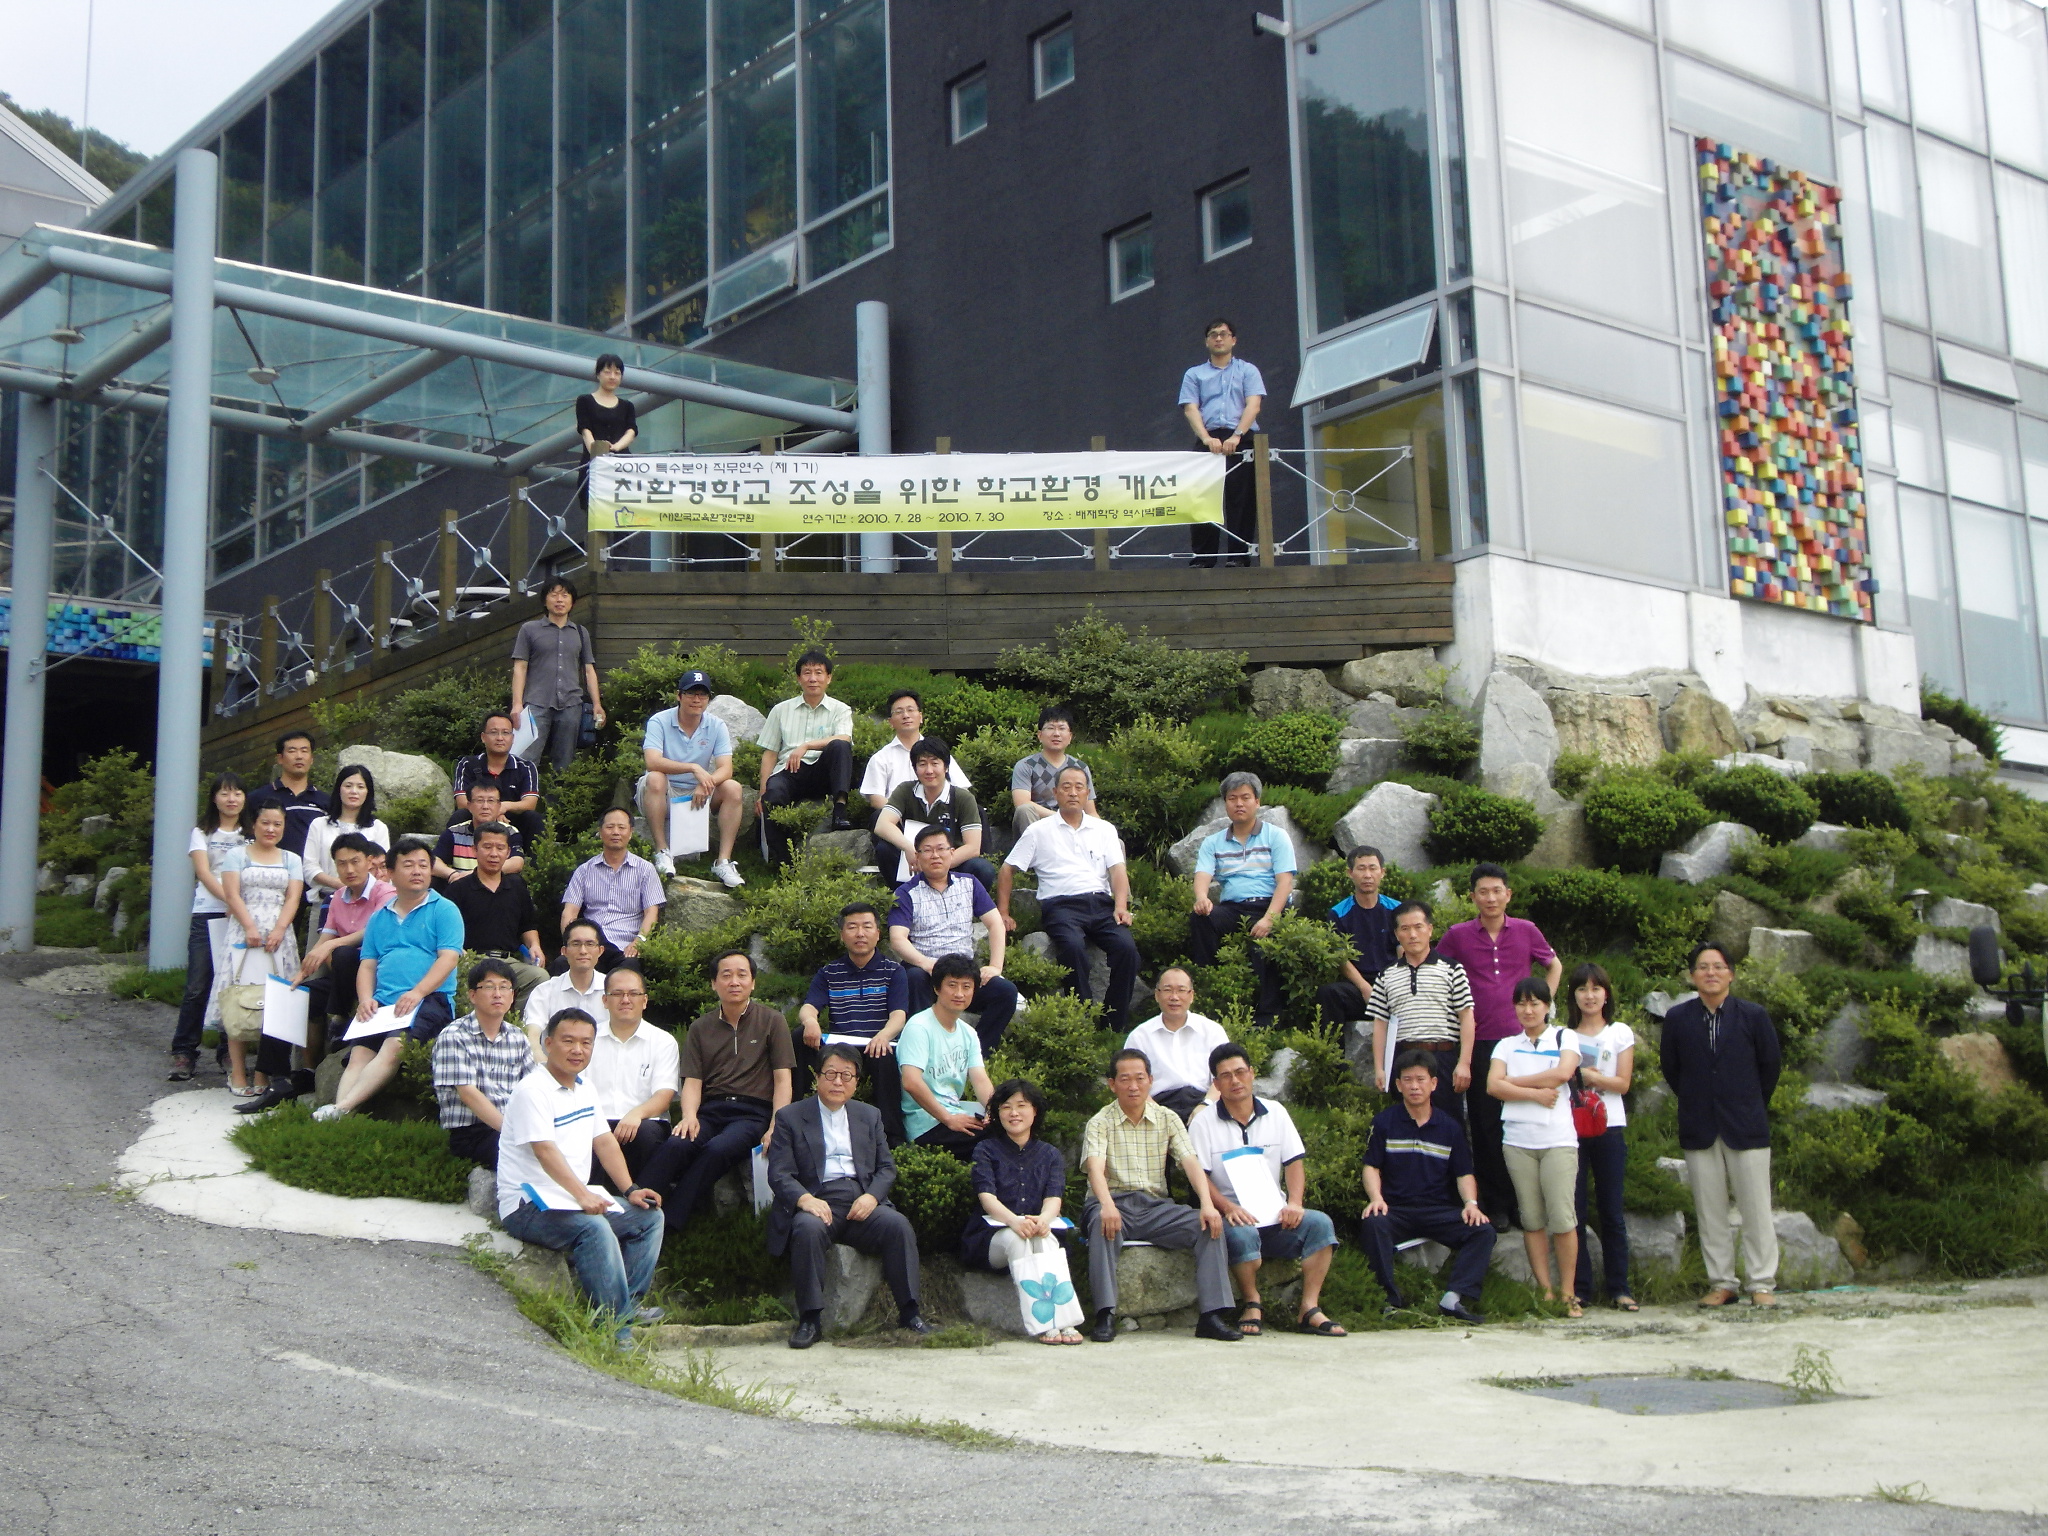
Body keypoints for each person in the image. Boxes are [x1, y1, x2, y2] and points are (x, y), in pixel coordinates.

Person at [497, 1007, 665, 1343]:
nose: (578, 1050)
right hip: (528, 1205)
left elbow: (604, 1142)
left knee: (649, 1217)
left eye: (586, 1043)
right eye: (568, 1041)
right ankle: (615, 1332)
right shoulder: (533, 1091)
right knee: (594, 1228)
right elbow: (545, 1151)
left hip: (569, 1198)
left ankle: (627, 1305)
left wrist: (630, 1189)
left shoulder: (584, 1088)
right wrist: (583, 1195)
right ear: (548, 1044)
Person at [767, 1042, 932, 1348]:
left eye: (847, 1075)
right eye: (830, 1074)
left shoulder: (869, 1115)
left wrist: (871, 1197)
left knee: (897, 1226)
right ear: (817, 1076)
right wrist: (806, 1200)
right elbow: (779, 1173)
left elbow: (886, 1168)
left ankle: (910, 1313)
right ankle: (810, 1320)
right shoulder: (790, 1117)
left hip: (860, 1201)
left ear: (857, 1081)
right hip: (817, 1200)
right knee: (806, 1229)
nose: (838, 1082)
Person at [1080, 1048, 1242, 1343]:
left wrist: (1208, 1205)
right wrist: (1106, 1205)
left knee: (1208, 1225)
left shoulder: (1167, 1118)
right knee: (1102, 1225)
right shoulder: (1100, 1121)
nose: (1133, 1086)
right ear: (1112, 1084)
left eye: (1140, 1078)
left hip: (1155, 1207)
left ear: (1151, 1081)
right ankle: (1105, 1313)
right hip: (1114, 1201)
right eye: (1125, 1079)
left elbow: (1190, 1162)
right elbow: (1095, 1168)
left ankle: (1212, 1315)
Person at [1436, 862, 1562, 1230]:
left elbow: (1554, 965)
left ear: (1508, 894)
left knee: (1522, 1119)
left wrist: (1542, 1004)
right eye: (1483, 892)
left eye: (1497, 891)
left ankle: (1526, 1202)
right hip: (1480, 1041)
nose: (1490, 898)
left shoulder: (1526, 930)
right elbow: (1438, 969)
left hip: (1522, 1041)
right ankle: (1498, 1203)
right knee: (1486, 1123)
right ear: (1472, 897)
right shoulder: (1458, 935)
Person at [1191, 1041, 1345, 1337]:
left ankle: (1309, 1308)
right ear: (1216, 1084)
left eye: (1240, 1072)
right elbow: (1200, 1176)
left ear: (1252, 1073)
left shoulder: (1276, 1112)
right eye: (1226, 1076)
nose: (1235, 1081)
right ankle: (1252, 1301)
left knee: (1320, 1225)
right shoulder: (1203, 1123)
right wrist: (1228, 1207)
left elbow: (1294, 1162)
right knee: (1242, 1233)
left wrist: (1295, 1202)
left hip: (1276, 1213)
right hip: (1233, 1215)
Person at [1663, 943, 1783, 1308]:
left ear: (1730, 973)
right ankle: (1722, 1282)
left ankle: (1761, 1283)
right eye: (1703, 967)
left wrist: (1747, 1103)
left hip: (1746, 1124)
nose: (1710, 973)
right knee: (1710, 1209)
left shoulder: (1753, 1015)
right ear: (1692, 976)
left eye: (1717, 966)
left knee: (1756, 1208)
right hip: (1700, 1124)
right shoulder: (1678, 1018)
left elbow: (1770, 1067)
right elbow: (1672, 1069)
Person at [640, 950, 794, 1232]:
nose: (734, 981)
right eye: (726, 975)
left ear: (753, 983)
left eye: (742, 975)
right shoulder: (700, 1027)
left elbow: (783, 1080)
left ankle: (669, 1222)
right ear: (714, 983)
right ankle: (632, 1206)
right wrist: (689, 1116)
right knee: (676, 1144)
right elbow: (693, 1082)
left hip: (752, 1114)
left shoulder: (773, 1021)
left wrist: (776, 1126)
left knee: (717, 1149)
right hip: (711, 1111)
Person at [315, 836, 464, 1121]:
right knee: (359, 1054)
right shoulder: (379, 917)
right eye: (408, 865)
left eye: (423, 865)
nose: (417, 871)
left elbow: (448, 958)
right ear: (391, 873)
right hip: (383, 1002)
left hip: (429, 1000)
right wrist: (365, 999)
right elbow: (367, 965)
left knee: (394, 1046)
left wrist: (418, 992)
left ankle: (340, 1110)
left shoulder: (445, 910)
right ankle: (339, 1115)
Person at [997, 763, 1140, 1030]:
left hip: (1101, 904)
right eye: (1066, 787)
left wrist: (1121, 906)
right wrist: (1003, 913)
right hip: (1060, 905)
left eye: (1079, 787)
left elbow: (1118, 871)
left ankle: (1113, 1024)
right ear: (1055, 793)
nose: (1073, 793)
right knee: (1073, 948)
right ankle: (1082, 1018)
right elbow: (1007, 869)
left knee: (1127, 950)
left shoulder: (1104, 829)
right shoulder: (1039, 830)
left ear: (1087, 793)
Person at [1360, 1050, 1496, 1324]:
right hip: (1397, 1209)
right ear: (1398, 1085)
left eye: (1421, 1079)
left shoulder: (1449, 1127)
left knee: (1483, 1231)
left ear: (1433, 1083)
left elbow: (1463, 1173)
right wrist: (1375, 1198)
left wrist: (1471, 1204)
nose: (1414, 1086)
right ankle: (1388, 1301)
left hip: (1437, 1210)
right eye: (1407, 1080)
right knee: (1373, 1223)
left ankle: (1454, 1297)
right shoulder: (1384, 1122)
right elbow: (1371, 1166)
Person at [960, 1077, 1082, 1345]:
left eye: (1021, 1105)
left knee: (1046, 1239)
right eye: (1006, 1107)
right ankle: (1045, 1323)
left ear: (1034, 1111)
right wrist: (1014, 1221)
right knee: (1018, 1239)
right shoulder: (985, 1150)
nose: (1013, 1113)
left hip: (1035, 1231)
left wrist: (1044, 1220)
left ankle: (1065, 1321)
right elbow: (987, 1198)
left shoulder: (1050, 1154)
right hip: (992, 1238)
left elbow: (1054, 1199)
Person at [1488, 977, 1582, 1316]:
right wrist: (1534, 1094)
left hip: (1557, 1140)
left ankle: (1568, 1292)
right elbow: (1492, 1086)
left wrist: (1513, 1082)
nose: (1528, 1010)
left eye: (1535, 1003)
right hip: (1518, 1141)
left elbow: (1563, 1073)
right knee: (1531, 1218)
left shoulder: (1564, 1036)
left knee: (1563, 1217)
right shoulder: (1505, 1045)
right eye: (1522, 1003)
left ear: (1547, 1006)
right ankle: (1545, 1292)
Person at [889, 826, 1017, 1053]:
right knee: (913, 977)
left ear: (952, 852)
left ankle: (976, 1053)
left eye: (941, 849)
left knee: (1005, 991)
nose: (935, 855)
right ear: (917, 856)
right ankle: (925, 1050)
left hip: (962, 969)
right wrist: (926, 963)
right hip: (927, 971)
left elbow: (995, 923)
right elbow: (897, 938)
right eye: (927, 850)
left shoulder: (970, 883)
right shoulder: (906, 893)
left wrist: (995, 966)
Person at [797, 902, 910, 1144]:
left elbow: (898, 1015)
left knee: (883, 1054)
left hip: (876, 1044)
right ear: (842, 934)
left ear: (878, 933)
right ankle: (795, 1115)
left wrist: (883, 1036)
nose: (860, 933)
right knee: (799, 1036)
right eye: (852, 927)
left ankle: (893, 1135)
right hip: (841, 1047)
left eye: (867, 927)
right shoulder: (830, 972)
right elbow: (809, 1006)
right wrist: (810, 1021)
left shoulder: (893, 971)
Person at [1188, 772, 1295, 1027]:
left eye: (1245, 797)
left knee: (1263, 947)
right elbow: (1202, 875)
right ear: (1225, 803)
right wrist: (1202, 898)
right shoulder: (1213, 842)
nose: (1239, 803)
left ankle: (1268, 1017)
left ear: (1257, 801)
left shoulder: (1276, 836)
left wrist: (1269, 919)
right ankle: (1208, 991)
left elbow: (1285, 882)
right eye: (1232, 798)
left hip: (1269, 905)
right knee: (1201, 918)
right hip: (1234, 908)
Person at [214, 803, 305, 1097]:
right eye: (265, 823)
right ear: (254, 824)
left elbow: (293, 898)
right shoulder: (237, 855)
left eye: (277, 824)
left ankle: (263, 1073)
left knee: (275, 1003)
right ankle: (238, 1073)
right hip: (243, 934)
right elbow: (232, 894)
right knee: (239, 1000)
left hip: (280, 937)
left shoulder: (291, 859)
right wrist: (250, 927)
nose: (270, 829)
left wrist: (279, 929)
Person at [1566, 962, 1637, 1312]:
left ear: (1606, 994)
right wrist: (1578, 1075)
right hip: (1572, 1127)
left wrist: (1591, 1078)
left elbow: (1622, 1083)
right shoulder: (1564, 1036)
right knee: (1575, 1210)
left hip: (1610, 1125)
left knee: (1611, 1209)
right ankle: (1580, 1288)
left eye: (1596, 988)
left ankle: (1619, 1287)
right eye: (1582, 989)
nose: (1589, 995)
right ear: (1573, 996)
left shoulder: (1619, 1032)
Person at [289, 831, 394, 1065]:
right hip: (343, 979)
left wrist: (333, 944)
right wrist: (301, 974)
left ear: (368, 861)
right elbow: (324, 940)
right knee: (299, 994)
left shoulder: (385, 892)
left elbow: (372, 932)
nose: (349, 869)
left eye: (355, 862)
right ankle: (299, 1072)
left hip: (375, 975)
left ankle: (340, 1017)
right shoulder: (337, 897)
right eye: (342, 864)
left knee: (344, 953)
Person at [1362, 899, 1474, 1118]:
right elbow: (1380, 1024)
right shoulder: (1386, 975)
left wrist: (1464, 1063)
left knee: (1449, 1124)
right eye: (1405, 929)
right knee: (1407, 1124)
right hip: (1404, 1058)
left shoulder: (1452, 969)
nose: (1412, 935)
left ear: (1430, 929)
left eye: (1418, 927)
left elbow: (1466, 1017)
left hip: (1443, 1057)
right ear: (1397, 934)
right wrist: (1380, 1068)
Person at [169, 773, 248, 1081]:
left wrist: (239, 907)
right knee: (198, 985)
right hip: (208, 912)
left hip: (240, 918)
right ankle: (184, 1051)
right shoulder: (202, 832)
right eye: (225, 793)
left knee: (232, 985)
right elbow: (203, 872)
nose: (231, 799)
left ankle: (228, 1051)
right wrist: (231, 899)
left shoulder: (250, 832)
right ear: (214, 798)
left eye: (237, 793)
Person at [638, 668, 745, 887]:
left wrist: (707, 783)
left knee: (733, 788)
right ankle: (662, 852)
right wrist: (693, 768)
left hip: (698, 794)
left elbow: (726, 768)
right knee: (656, 778)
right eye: (690, 693)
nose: (697, 699)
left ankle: (723, 862)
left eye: (702, 694)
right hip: (663, 791)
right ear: (679, 696)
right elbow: (652, 761)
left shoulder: (716, 725)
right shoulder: (659, 721)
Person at [430, 958, 537, 1168]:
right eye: (489, 987)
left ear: (512, 995)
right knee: (533, 1157)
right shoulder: (454, 1035)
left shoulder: (517, 1037)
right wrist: (512, 1133)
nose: (497, 994)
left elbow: (532, 1089)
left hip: (516, 1127)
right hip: (473, 1132)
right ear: (472, 995)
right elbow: (468, 1094)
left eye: (504, 987)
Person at [1178, 318, 1265, 567]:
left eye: (1224, 334)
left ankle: (1238, 556)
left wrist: (1237, 435)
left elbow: (1253, 405)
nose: (1218, 338)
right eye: (1213, 334)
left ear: (1233, 340)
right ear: (1206, 341)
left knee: (1241, 500)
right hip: (1208, 438)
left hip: (1242, 438)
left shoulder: (1248, 370)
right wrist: (1206, 438)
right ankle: (1203, 558)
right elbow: (1190, 408)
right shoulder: (1194, 374)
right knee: (1202, 498)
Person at [756, 649, 855, 868]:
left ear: (829, 678)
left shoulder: (840, 709)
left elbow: (844, 737)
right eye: (807, 673)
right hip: (790, 771)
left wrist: (807, 745)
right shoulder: (781, 710)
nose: (813, 678)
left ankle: (840, 811)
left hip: (822, 772)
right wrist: (762, 791)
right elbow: (770, 752)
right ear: (798, 678)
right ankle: (782, 863)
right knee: (773, 795)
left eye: (819, 673)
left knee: (840, 746)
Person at [897, 953, 997, 1158]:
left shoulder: (968, 1033)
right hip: (926, 1123)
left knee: (1010, 1125)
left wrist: (994, 1110)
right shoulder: (919, 1027)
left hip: (956, 1113)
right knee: (995, 1140)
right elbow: (911, 1082)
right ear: (936, 988)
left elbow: (980, 1079)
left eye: (966, 987)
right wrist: (948, 1119)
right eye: (952, 985)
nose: (959, 993)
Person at [587, 967, 679, 1183]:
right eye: (617, 994)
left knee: (643, 1135)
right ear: (605, 1000)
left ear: (644, 1001)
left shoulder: (663, 1041)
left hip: (644, 1122)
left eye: (633, 994)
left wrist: (635, 1115)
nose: (625, 1000)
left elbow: (664, 1095)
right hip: (595, 1121)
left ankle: (641, 1198)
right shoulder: (588, 1039)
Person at [442, 823, 548, 1005]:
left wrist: (534, 945)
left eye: (500, 848)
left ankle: (519, 1021)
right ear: (474, 850)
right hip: (471, 960)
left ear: (508, 852)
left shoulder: (517, 886)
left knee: (539, 977)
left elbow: (528, 925)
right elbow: (446, 931)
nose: (494, 854)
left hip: (508, 962)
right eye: (487, 847)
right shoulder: (458, 889)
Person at [874, 737, 999, 889]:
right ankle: (902, 897)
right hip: (914, 862)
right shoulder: (905, 790)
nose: (929, 770)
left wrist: (937, 864)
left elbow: (973, 847)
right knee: (885, 849)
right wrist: (909, 848)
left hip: (952, 863)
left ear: (946, 767)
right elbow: (882, 825)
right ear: (915, 768)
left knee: (982, 869)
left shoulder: (963, 798)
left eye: (935, 763)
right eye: (922, 764)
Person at [511, 576, 604, 773]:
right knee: (526, 758)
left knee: (565, 762)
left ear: (572, 602)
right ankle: (523, 794)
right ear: (545, 600)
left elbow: (589, 669)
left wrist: (597, 704)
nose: (559, 600)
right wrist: (517, 704)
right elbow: (520, 667)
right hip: (536, 703)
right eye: (554, 595)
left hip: (571, 704)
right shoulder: (529, 629)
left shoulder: (580, 632)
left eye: (565, 595)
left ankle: (559, 795)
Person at [559, 806, 664, 972]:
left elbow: (651, 912)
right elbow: (569, 912)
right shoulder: (585, 870)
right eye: (609, 827)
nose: (615, 832)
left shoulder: (645, 870)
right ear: (601, 832)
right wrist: (571, 943)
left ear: (630, 832)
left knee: (628, 970)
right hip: (590, 946)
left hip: (624, 947)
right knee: (560, 964)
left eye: (621, 827)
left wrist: (639, 941)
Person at [1313, 845, 1402, 1029]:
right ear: (1350, 873)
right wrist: (1364, 988)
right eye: (1361, 868)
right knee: (1328, 993)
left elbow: (1404, 951)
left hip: (1392, 984)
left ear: (1382, 872)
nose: (1367, 875)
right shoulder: (1338, 913)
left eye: (1372, 868)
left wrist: (1392, 986)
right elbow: (1340, 958)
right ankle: (1332, 1047)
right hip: (1359, 987)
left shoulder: (1397, 910)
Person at [1123, 968, 1227, 1120]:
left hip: (1205, 1105)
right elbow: (1132, 1085)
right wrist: (1159, 1115)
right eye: (1167, 990)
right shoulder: (1139, 1036)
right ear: (1157, 995)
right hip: (1156, 1107)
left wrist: (1206, 1105)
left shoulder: (1212, 1031)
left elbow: (1224, 1076)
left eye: (1181, 990)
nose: (1174, 997)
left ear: (1191, 995)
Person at [301, 764, 391, 921]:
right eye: (348, 786)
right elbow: (309, 867)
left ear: (368, 792)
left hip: (366, 905)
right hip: (325, 902)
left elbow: (383, 869)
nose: (354, 791)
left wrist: (356, 888)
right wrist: (341, 884)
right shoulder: (319, 824)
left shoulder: (378, 828)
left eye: (360, 787)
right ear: (339, 789)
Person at [860, 689, 971, 810]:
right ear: (890, 722)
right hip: (897, 816)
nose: (906, 715)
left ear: (920, 717)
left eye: (910, 710)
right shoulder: (881, 758)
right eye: (899, 712)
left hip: (939, 814)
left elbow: (962, 789)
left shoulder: (938, 752)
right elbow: (876, 799)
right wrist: (903, 814)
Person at [454, 712, 544, 847]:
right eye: (494, 732)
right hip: (476, 820)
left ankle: (532, 860)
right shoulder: (467, 764)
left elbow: (530, 803)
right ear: (483, 737)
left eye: (505, 733)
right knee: (460, 815)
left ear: (513, 738)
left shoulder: (525, 767)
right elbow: (462, 802)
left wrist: (503, 807)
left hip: (511, 820)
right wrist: (491, 813)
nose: (500, 738)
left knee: (534, 818)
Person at [1008, 704, 1097, 837]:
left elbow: (1090, 811)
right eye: (1050, 728)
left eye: (1062, 728)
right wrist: (1059, 819)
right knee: (1024, 810)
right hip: (1039, 827)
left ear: (1070, 736)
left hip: (1074, 828)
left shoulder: (1080, 768)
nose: (1056, 734)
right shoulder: (1026, 766)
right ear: (1040, 735)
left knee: (1117, 843)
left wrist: (1105, 833)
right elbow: (1022, 803)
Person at [523, 918, 609, 1045]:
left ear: (600, 951)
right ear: (564, 951)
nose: (583, 951)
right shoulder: (544, 991)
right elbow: (532, 1032)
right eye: (576, 944)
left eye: (590, 944)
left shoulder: (613, 990)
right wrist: (537, 1052)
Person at [253, 729, 330, 859]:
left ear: (311, 759)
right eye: (292, 751)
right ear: (280, 758)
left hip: (313, 870)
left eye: (304, 751)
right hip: (271, 867)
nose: (299, 756)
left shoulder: (326, 801)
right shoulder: (259, 798)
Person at [433, 779, 526, 883]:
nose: (485, 807)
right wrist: (452, 874)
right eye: (479, 801)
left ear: (499, 806)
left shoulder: (510, 832)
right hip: (461, 886)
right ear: (469, 805)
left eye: (491, 801)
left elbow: (517, 862)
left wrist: (474, 875)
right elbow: (433, 861)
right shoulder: (454, 832)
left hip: (495, 887)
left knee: (515, 880)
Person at [577, 352, 639, 469]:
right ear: (598, 374)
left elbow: (631, 431)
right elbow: (585, 430)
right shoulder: (585, 401)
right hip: (593, 463)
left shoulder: (627, 406)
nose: (612, 377)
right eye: (607, 372)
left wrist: (616, 447)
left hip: (622, 465)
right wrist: (597, 452)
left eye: (617, 373)